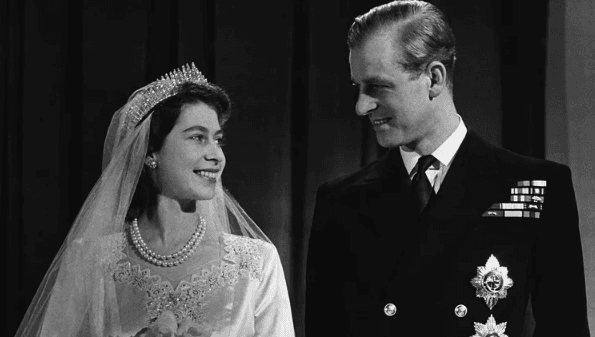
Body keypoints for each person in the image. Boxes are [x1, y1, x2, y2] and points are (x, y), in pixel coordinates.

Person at [305, 1, 590, 336]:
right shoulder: (340, 202)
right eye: (358, 87)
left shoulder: (533, 187)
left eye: (377, 87)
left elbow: (565, 328)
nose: (361, 106)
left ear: (434, 78)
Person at [15, 63, 295, 337]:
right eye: (198, 137)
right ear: (151, 152)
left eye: (218, 140)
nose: (216, 156)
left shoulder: (257, 264)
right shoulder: (89, 262)